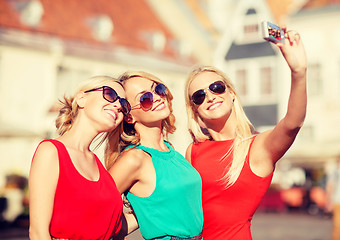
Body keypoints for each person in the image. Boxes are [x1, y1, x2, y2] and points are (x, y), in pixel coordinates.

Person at [184, 27, 307, 239]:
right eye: (199, 96)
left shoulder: (257, 148)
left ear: (231, 93)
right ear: (195, 109)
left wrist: (299, 73)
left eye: (216, 87)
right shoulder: (193, 151)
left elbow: (292, 123)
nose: (210, 96)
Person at [29, 76, 131, 239]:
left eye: (124, 105)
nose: (118, 105)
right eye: (110, 95)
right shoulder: (51, 151)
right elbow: (38, 232)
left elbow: (112, 228)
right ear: (81, 98)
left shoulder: (100, 167)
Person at [106, 71, 203, 240]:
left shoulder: (170, 150)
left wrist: (144, 215)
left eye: (158, 89)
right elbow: (94, 210)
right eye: (145, 99)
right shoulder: (134, 159)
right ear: (129, 117)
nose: (158, 97)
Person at [326, 157, 340, 240]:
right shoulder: (335, 173)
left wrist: (328, 201)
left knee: (337, 223)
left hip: (337, 200)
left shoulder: (334, 172)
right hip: (337, 200)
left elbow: (330, 187)